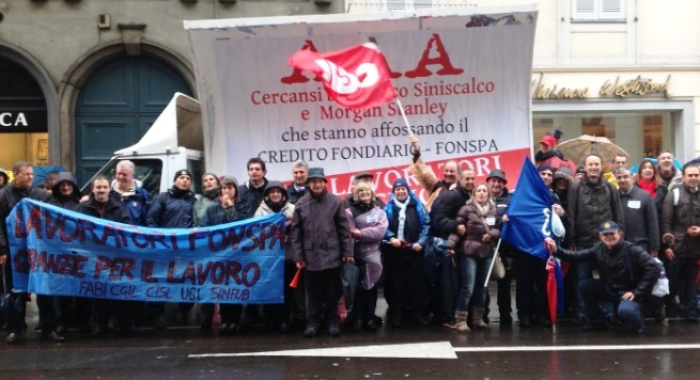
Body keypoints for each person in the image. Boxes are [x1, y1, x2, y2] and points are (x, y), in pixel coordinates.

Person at [545, 221, 660, 333]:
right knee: (584, 285)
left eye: (612, 233)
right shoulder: (599, 248)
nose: (609, 237)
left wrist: (636, 291)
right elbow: (577, 256)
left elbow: (654, 268)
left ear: (620, 234)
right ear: (600, 237)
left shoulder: (632, 249)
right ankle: (597, 323)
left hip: (629, 293)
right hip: (610, 290)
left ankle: (639, 322)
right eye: (605, 234)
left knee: (625, 312)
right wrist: (556, 250)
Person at [0, 161, 61, 344]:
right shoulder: (3, 196)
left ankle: (49, 328)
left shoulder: (42, 195)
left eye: (31, 175)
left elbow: (51, 220)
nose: (30, 177)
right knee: (16, 290)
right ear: (15, 175)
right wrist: (2, 249)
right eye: (26, 174)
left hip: (39, 250)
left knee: (44, 289)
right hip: (14, 251)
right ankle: (15, 328)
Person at [290, 167, 353, 338]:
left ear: (325, 182)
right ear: (308, 183)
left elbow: (344, 230)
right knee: (313, 292)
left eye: (320, 181)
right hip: (310, 258)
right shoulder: (301, 204)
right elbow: (295, 234)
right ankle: (313, 322)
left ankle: (332, 321)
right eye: (313, 181)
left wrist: (348, 252)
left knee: (332, 291)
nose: (317, 184)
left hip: (332, 255)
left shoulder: (335, 201)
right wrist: (298, 256)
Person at [566, 154, 625, 324]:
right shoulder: (575, 188)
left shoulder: (610, 188)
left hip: (605, 243)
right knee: (581, 280)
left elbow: (618, 214)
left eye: (596, 164)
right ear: (585, 166)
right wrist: (572, 241)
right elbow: (571, 215)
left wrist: (619, 238)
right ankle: (582, 313)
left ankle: (609, 313)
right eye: (590, 164)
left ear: (601, 167)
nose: (593, 167)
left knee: (608, 279)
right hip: (583, 242)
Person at [76, 176, 133, 336]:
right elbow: (75, 228)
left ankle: (122, 323)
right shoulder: (82, 208)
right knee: (97, 292)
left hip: (114, 257)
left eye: (104, 187)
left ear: (109, 189)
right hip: (92, 257)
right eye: (98, 187)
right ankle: (100, 324)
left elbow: (127, 228)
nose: (101, 190)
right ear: (92, 189)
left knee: (118, 291)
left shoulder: (119, 208)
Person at [198, 176, 250, 333]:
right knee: (222, 287)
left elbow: (243, 226)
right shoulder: (212, 208)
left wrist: (230, 209)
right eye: (224, 188)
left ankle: (235, 318)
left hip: (236, 255)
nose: (227, 191)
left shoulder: (242, 206)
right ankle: (225, 318)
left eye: (230, 188)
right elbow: (202, 226)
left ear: (235, 190)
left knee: (235, 286)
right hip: (218, 254)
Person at [447, 183, 501, 332]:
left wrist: (491, 235)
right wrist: (450, 245)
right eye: (479, 191)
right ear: (474, 194)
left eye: (485, 191)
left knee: (482, 287)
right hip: (469, 253)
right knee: (468, 287)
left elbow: (498, 229)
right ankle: (461, 320)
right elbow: (458, 229)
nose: (482, 193)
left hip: (487, 253)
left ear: (488, 195)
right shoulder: (466, 209)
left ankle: (478, 319)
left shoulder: (492, 211)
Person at [147, 169, 197, 328]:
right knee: (161, 280)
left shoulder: (193, 200)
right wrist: (159, 241)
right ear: (175, 180)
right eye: (181, 177)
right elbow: (151, 221)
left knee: (187, 280)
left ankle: (184, 310)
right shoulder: (163, 198)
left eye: (188, 178)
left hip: (186, 250)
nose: (185, 181)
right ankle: (157, 314)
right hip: (165, 249)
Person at [383, 178, 431, 328]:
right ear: (393, 192)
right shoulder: (388, 209)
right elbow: (382, 227)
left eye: (403, 189)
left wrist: (421, 243)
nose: (401, 191)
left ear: (408, 190)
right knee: (396, 286)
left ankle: (417, 314)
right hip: (395, 253)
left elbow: (426, 224)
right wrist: (391, 238)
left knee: (416, 285)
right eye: (397, 189)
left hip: (414, 252)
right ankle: (396, 315)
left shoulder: (417, 206)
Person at [429, 169, 474, 328]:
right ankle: (447, 318)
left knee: (460, 283)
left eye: (472, 178)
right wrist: (456, 227)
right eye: (467, 178)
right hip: (448, 248)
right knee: (450, 284)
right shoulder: (451, 196)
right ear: (460, 179)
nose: (470, 181)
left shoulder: (469, 196)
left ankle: (458, 315)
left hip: (462, 248)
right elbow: (438, 219)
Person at [344, 182, 388, 332]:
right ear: (356, 194)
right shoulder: (350, 212)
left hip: (374, 257)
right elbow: (349, 234)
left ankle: (370, 317)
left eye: (366, 190)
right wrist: (349, 254)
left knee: (372, 288)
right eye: (360, 190)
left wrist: (361, 233)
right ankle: (357, 318)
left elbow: (380, 232)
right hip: (356, 256)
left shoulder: (380, 212)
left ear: (372, 192)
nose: (364, 192)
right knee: (357, 289)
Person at [254, 181, 296, 333]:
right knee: (269, 288)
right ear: (267, 195)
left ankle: (285, 319)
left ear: (283, 194)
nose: (275, 194)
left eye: (278, 192)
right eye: (272, 192)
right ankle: (270, 319)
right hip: (268, 257)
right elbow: (256, 233)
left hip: (288, 256)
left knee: (286, 290)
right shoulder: (260, 211)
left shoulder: (292, 209)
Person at [661, 163, 700, 322]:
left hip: (695, 248)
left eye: (696, 175)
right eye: (690, 175)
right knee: (672, 281)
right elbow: (666, 222)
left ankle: (691, 312)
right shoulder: (674, 194)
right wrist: (667, 246)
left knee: (691, 281)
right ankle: (670, 308)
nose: (693, 178)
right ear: (683, 177)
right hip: (676, 248)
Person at [50, 172, 84, 333]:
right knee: (60, 289)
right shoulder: (49, 204)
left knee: (79, 287)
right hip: (57, 253)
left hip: (77, 253)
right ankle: (61, 320)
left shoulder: (81, 204)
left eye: (68, 184)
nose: (65, 187)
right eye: (62, 185)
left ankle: (80, 319)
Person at [486, 168, 514, 325]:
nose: (496, 184)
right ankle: (483, 314)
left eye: (500, 181)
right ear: (488, 182)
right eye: (493, 181)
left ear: (504, 184)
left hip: (504, 249)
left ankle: (505, 314)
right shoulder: (481, 197)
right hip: (484, 247)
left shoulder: (510, 199)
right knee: (482, 283)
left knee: (504, 282)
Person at [408, 135, 459, 211]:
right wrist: (416, 150)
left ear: (458, 174)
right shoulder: (437, 187)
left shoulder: (461, 191)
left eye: (451, 171)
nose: (448, 173)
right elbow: (424, 174)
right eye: (446, 171)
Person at [111, 160, 151, 227]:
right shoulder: (109, 194)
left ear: (132, 175)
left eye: (124, 174)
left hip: (133, 236)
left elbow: (148, 220)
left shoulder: (142, 195)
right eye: (119, 174)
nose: (121, 177)